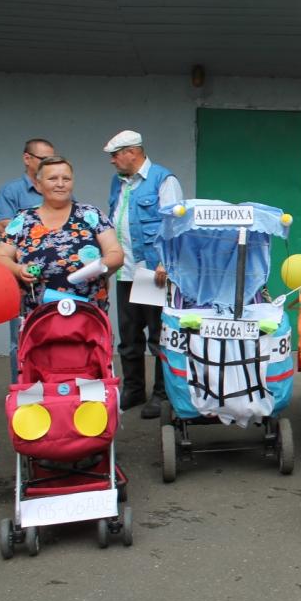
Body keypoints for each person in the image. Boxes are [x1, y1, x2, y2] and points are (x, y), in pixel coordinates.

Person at [104, 130, 183, 418]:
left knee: (158, 336)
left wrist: (165, 262)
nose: (112, 161)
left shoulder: (163, 180)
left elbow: (174, 224)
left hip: (150, 271)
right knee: (128, 335)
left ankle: (162, 394)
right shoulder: (118, 181)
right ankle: (133, 389)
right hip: (124, 271)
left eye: (115, 155)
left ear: (132, 153)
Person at [0, 156, 122, 316]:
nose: (60, 184)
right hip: (38, 316)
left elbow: (116, 254)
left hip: (88, 315)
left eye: (66, 179)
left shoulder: (91, 215)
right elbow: (0, 257)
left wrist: (98, 266)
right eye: (53, 179)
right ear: (38, 185)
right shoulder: (23, 220)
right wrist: (19, 269)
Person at [0, 138, 56, 382]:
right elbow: (5, 228)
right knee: (21, 336)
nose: (49, 164)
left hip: (54, 280)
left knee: (55, 335)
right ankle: (22, 390)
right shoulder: (12, 192)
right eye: (44, 159)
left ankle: (53, 390)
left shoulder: (56, 188)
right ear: (27, 159)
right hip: (21, 279)